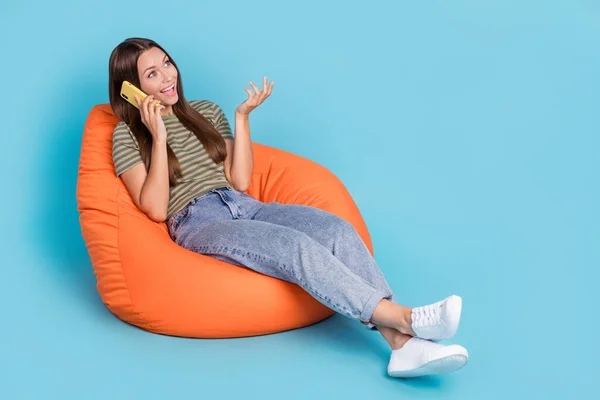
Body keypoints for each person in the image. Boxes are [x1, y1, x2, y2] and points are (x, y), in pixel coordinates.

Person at [108, 37, 469, 378]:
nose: (167, 76)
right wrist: (157, 137)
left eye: (167, 64)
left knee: (336, 230)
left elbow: (240, 180)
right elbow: (155, 208)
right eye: (151, 74)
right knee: (294, 246)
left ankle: (401, 346)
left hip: (244, 204)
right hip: (198, 221)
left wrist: (242, 117)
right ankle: (404, 318)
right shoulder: (126, 134)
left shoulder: (205, 111)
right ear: (132, 87)